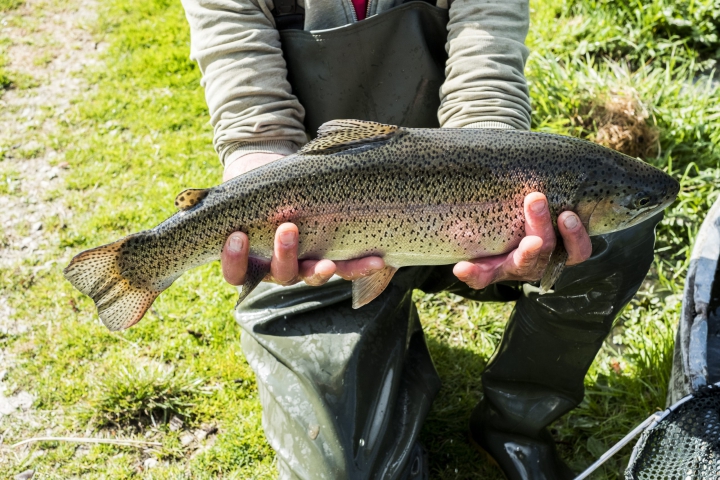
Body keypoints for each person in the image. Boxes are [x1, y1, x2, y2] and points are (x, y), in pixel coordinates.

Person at [180, 0, 662, 477]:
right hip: (317, 245)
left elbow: (485, 89)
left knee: (615, 240)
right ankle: (384, 342)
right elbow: (256, 125)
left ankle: (515, 423)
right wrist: (255, 186)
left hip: (465, 223)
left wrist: (494, 194)